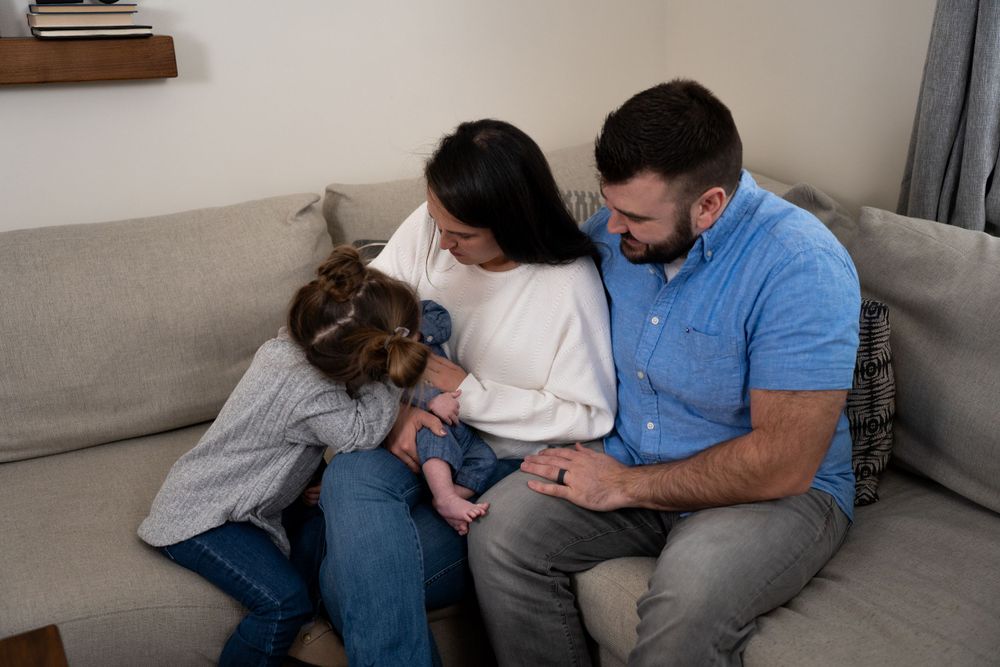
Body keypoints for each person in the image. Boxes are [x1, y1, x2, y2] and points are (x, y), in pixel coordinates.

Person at [469, 79, 861, 666]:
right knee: (499, 534)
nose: (611, 226)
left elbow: (784, 462)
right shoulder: (614, 237)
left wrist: (625, 486)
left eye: (633, 215)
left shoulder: (801, 266)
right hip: (632, 455)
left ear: (709, 205)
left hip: (769, 495)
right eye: (610, 205)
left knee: (685, 603)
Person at [318, 119, 617, 666]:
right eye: (438, 223)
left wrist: (467, 391)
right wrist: (397, 415)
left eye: (461, 235)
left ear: (513, 221)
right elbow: (360, 319)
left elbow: (587, 414)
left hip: (494, 466)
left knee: (342, 584)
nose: (442, 242)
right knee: (349, 473)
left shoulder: (567, 284)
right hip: (417, 434)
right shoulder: (431, 226)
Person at [138, 246, 430, 667]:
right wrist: (389, 379)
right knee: (284, 603)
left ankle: (299, 639)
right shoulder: (311, 391)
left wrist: (310, 479)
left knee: (325, 527)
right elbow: (361, 434)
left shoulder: (284, 349)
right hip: (201, 520)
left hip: (238, 499)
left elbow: (282, 433)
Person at [411, 299, 497, 535]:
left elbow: (441, 319)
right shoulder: (383, 354)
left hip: (461, 425)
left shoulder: (413, 312)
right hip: (430, 419)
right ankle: (445, 496)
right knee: (435, 438)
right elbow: (394, 388)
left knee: (486, 459)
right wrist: (431, 401)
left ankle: (449, 499)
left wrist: (418, 331)